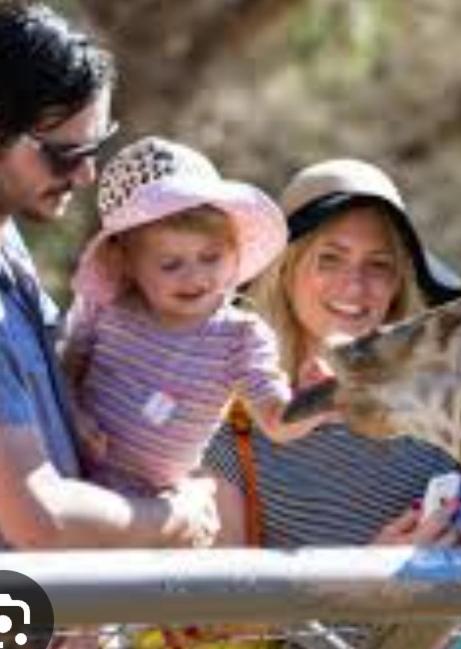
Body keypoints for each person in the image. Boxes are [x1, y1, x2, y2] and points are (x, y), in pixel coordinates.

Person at [196, 159, 461, 648]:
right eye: (330, 258)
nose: (355, 286)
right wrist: (362, 578)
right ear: (286, 269)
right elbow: (222, 616)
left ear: (397, 285)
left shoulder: (444, 410)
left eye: (379, 265)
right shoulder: (229, 419)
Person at [0, 1, 216, 548]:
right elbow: (37, 517)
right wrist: (172, 519)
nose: (87, 173)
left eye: (96, 148)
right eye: (65, 153)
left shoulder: (7, 240)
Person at [60, 136, 324, 498]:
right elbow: (63, 370)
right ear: (128, 263)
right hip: (71, 476)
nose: (195, 278)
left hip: (153, 502)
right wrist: (74, 414)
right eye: (171, 264)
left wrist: (319, 398)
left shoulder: (240, 338)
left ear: (234, 250)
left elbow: (275, 420)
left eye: (211, 257)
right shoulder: (108, 304)